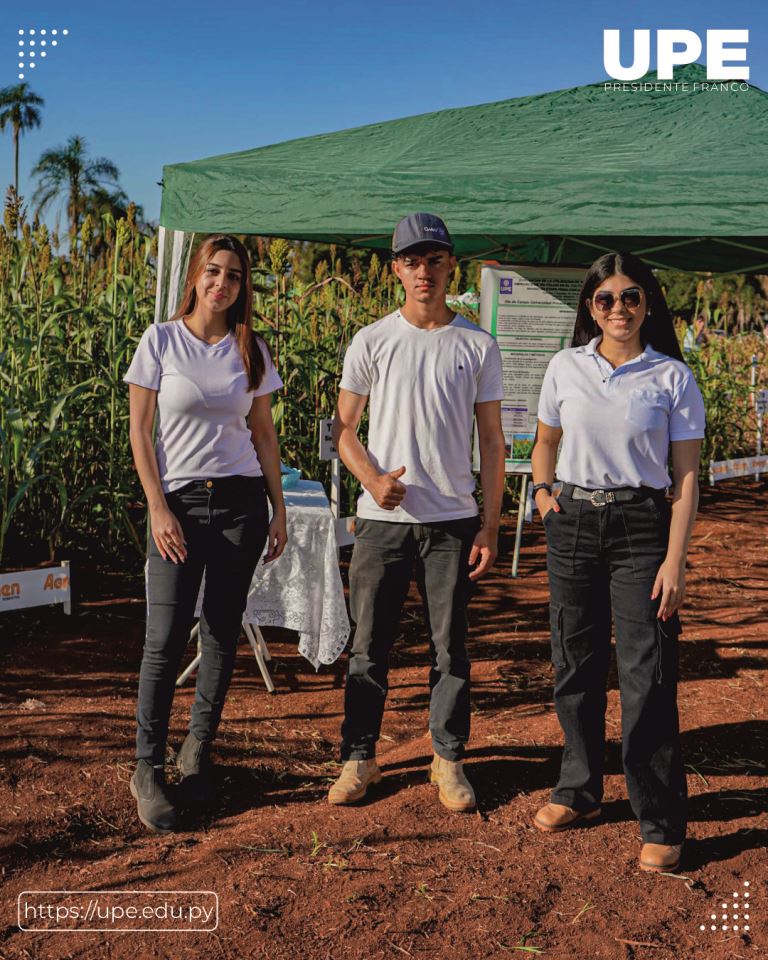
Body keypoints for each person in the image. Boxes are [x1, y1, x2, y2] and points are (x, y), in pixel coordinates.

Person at [530, 251, 705, 873]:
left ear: (648, 303)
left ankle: (658, 817)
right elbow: (545, 444)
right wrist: (548, 502)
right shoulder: (565, 367)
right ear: (589, 307)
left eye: (631, 297)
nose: (619, 308)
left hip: (641, 530)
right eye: (605, 299)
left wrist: (675, 559)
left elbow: (685, 478)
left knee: (646, 671)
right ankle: (579, 789)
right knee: (573, 661)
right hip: (573, 522)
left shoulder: (672, 378)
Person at [328, 213, 505, 812]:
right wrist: (372, 480)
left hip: (452, 521)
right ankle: (360, 758)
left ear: (451, 264)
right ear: (396, 269)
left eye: (433, 259)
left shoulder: (477, 344)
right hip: (382, 522)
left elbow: (492, 441)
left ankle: (448, 759)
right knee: (368, 646)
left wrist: (490, 521)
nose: (422, 271)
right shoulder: (372, 340)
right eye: (411, 260)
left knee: (450, 647)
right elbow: (343, 430)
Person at [124, 234, 287, 834]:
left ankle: (196, 756)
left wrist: (278, 508)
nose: (223, 283)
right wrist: (158, 507)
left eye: (235, 276)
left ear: (244, 287)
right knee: (163, 639)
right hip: (181, 506)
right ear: (195, 276)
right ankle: (147, 768)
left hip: (241, 505)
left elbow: (263, 434)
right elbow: (142, 433)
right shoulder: (160, 341)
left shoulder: (251, 348)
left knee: (221, 633)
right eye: (213, 271)